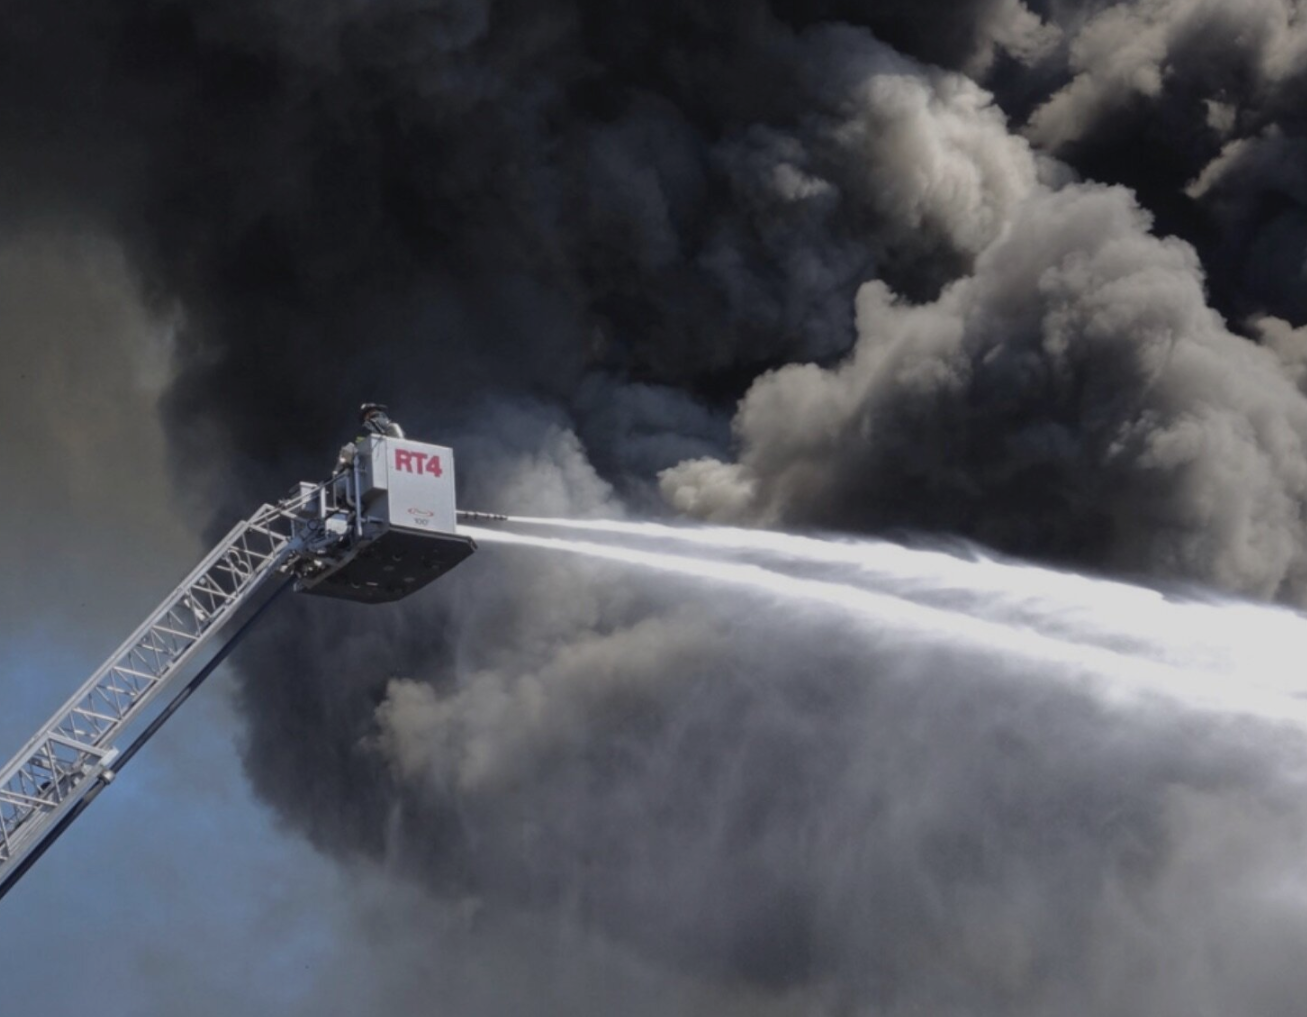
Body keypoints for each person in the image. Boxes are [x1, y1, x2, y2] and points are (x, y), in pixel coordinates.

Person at [337, 402, 405, 472]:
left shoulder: (389, 427)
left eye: (371, 412)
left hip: (386, 462)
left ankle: (338, 477)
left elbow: (400, 447)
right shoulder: (390, 426)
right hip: (380, 462)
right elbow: (359, 445)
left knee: (348, 448)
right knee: (349, 448)